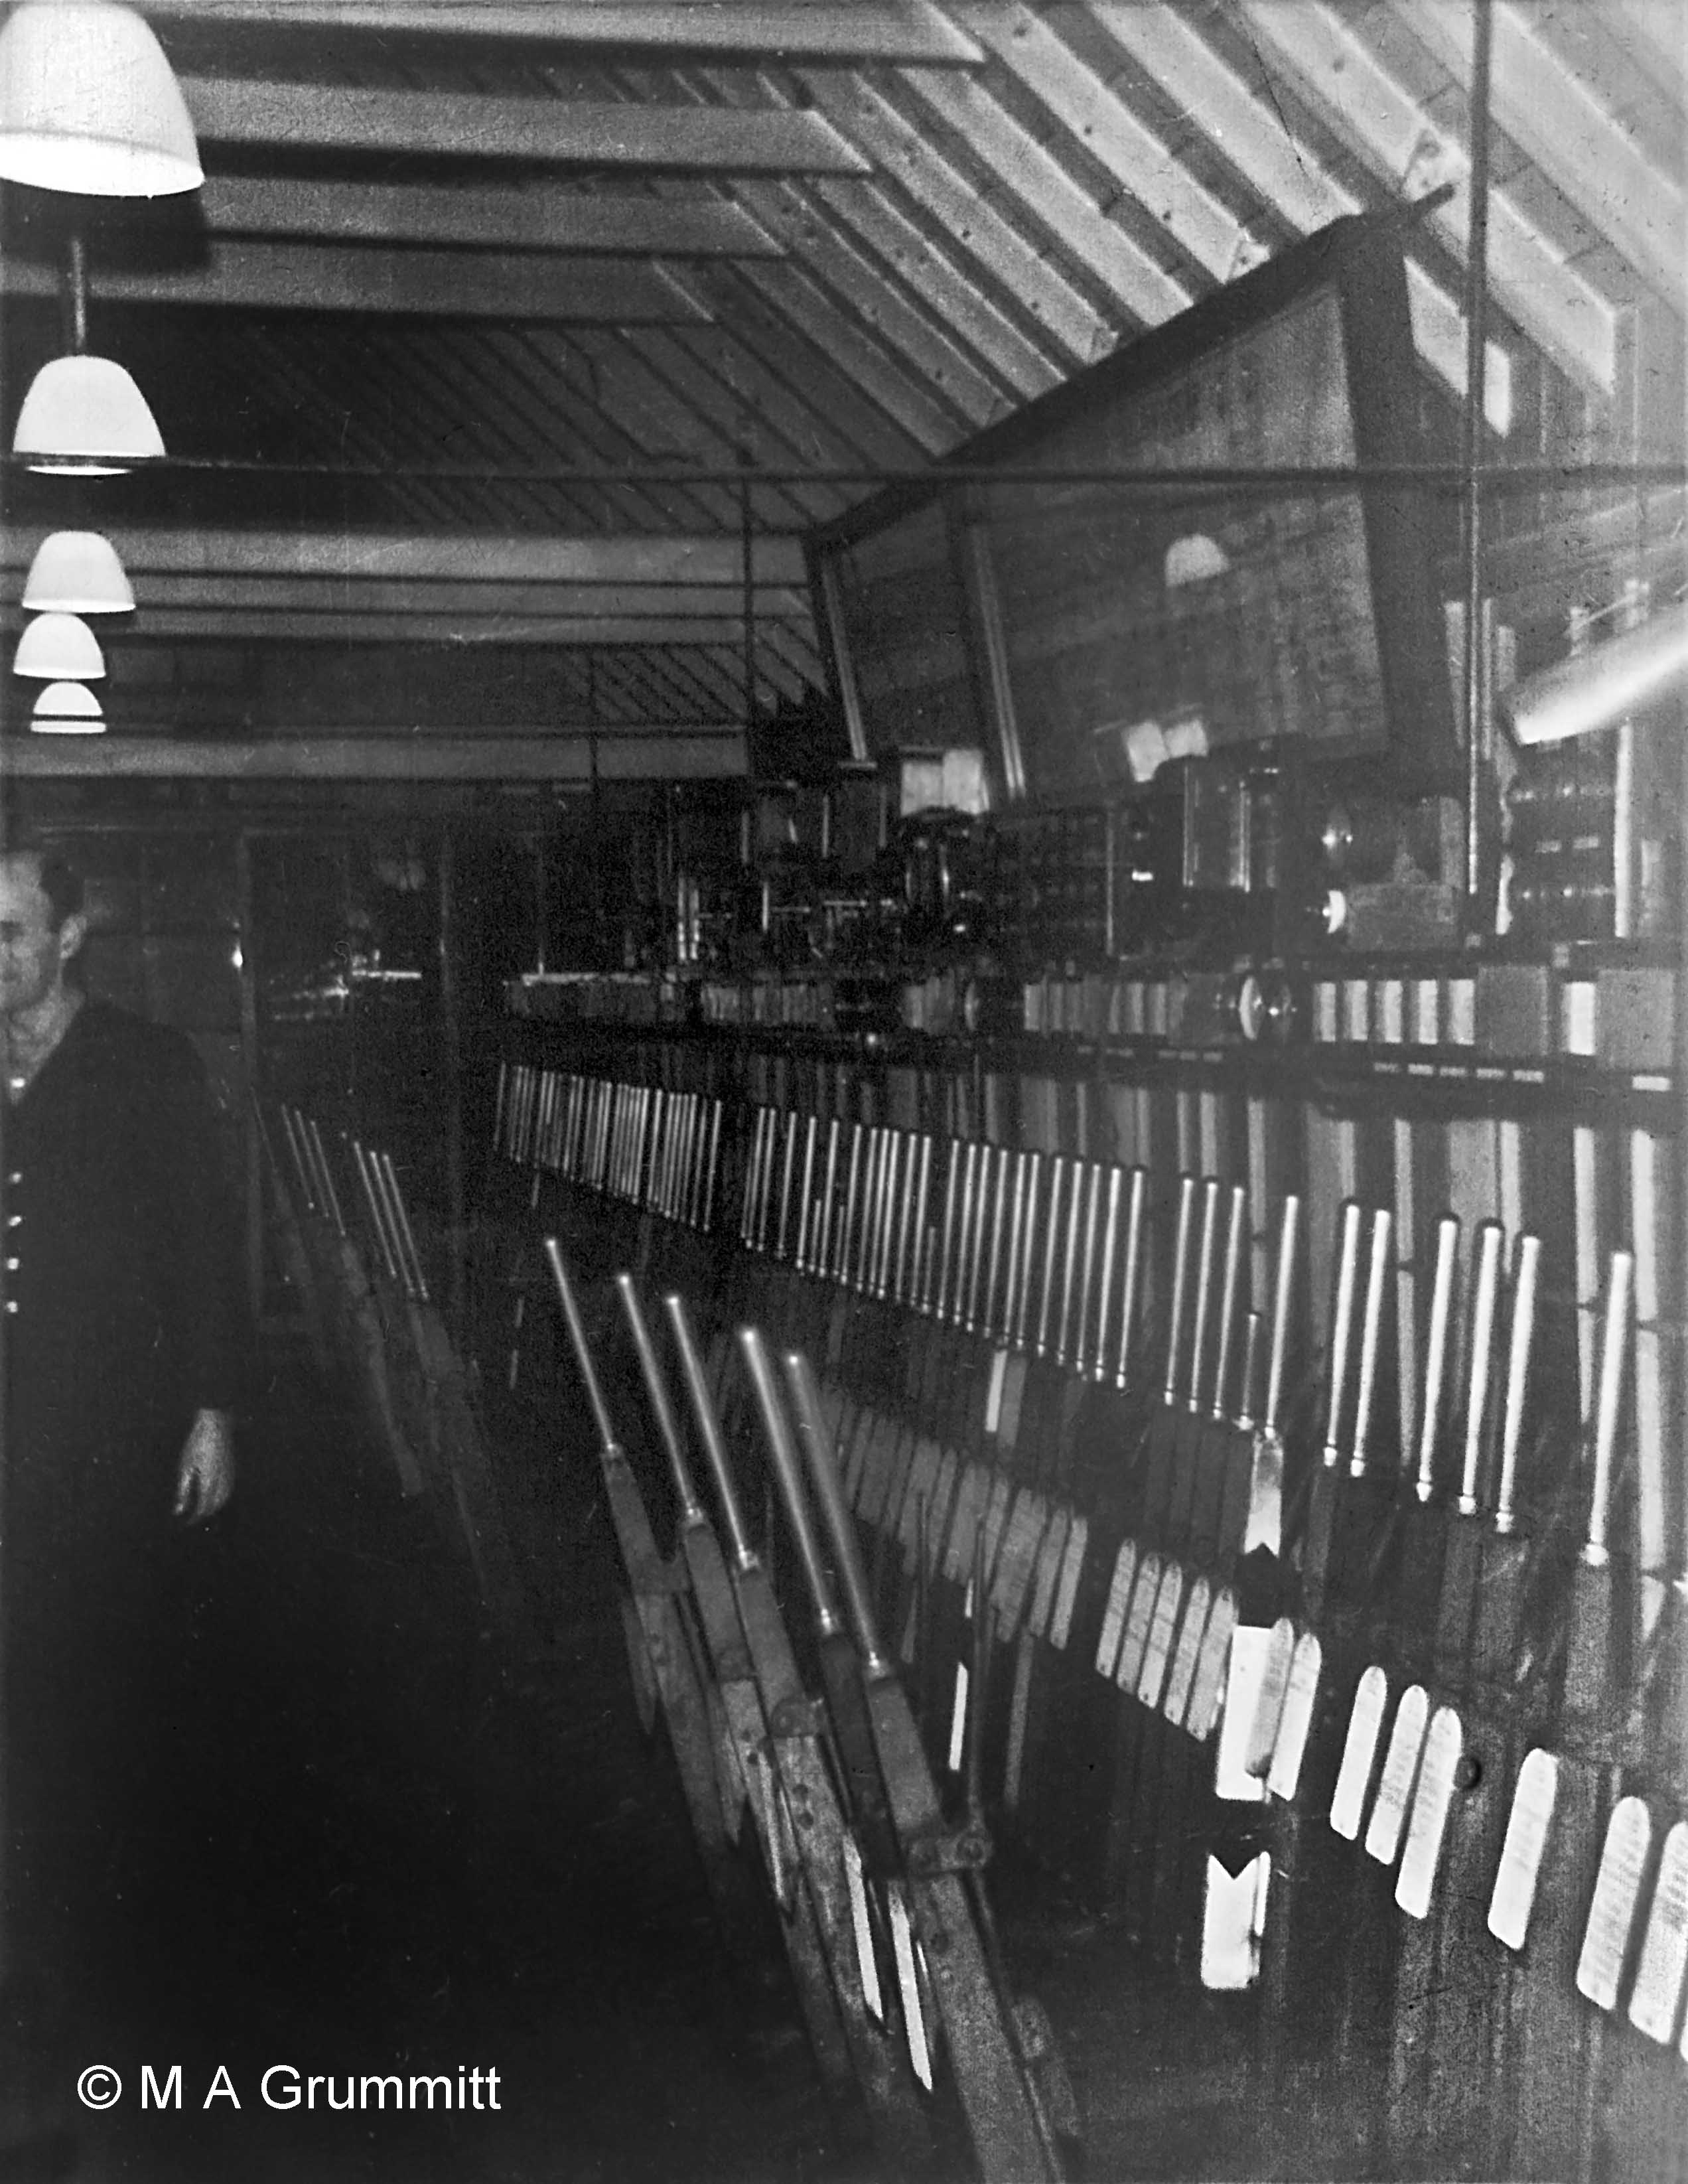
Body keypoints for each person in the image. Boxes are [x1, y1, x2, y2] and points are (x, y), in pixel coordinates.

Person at [0, 843, 244, 2051]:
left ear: (71, 935)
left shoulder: (149, 1064)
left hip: (111, 1429)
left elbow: (207, 1242)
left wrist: (212, 1407)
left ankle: (116, 1934)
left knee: (103, 1666)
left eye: (11, 929)